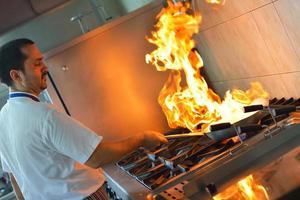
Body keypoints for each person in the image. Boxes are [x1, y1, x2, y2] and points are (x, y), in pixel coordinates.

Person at [0, 39, 168, 200]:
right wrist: (142, 138)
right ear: (16, 75)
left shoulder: (3, 118)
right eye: (37, 64)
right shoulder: (43, 115)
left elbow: (14, 177)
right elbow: (97, 157)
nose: (45, 67)